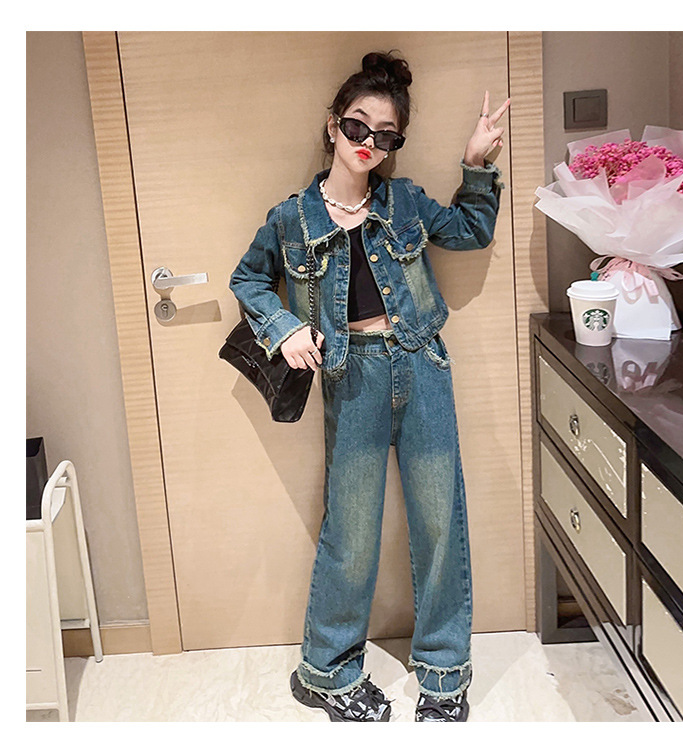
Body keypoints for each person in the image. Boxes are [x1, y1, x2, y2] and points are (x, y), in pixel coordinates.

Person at [230, 51, 509, 722]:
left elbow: (470, 231)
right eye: (357, 126)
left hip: (421, 362)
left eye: (386, 136)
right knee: (351, 529)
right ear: (333, 125)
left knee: (440, 521)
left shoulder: (404, 200)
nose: (369, 144)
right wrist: (283, 327)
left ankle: (444, 672)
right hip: (350, 373)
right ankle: (326, 670)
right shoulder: (292, 218)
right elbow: (248, 279)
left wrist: (476, 163)